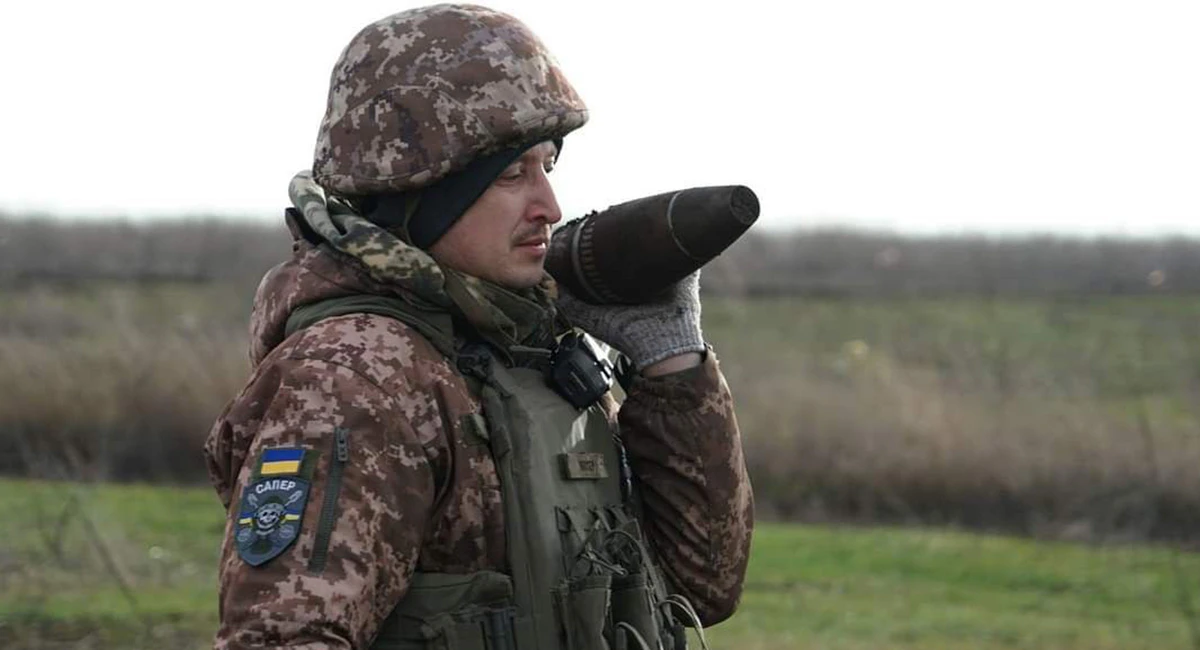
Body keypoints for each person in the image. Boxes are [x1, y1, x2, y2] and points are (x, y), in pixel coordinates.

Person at [203, 5, 753, 649]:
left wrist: (671, 362)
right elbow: (281, 638)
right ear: (421, 191)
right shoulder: (352, 379)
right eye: (512, 175)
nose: (549, 207)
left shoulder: (530, 354)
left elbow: (702, 588)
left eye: (548, 167)